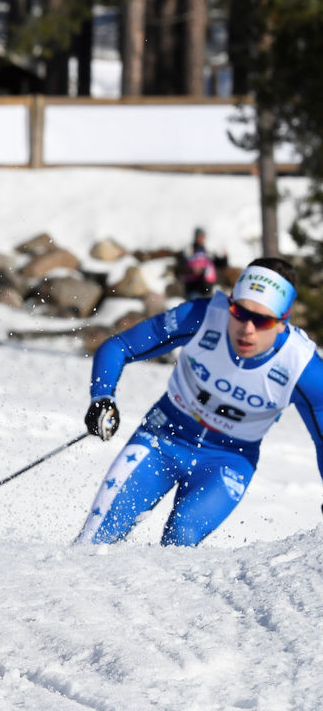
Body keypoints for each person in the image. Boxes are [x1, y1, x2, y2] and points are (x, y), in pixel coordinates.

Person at [76, 257, 323, 546]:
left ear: (283, 322)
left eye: (262, 320)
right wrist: (102, 398)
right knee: (92, 541)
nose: (247, 329)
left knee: (181, 538)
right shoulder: (203, 316)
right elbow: (120, 346)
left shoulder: (304, 367)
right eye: (239, 312)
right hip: (161, 438)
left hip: (226, 461)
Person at [179, 226, 218, 300]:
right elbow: (181, 268)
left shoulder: (208, 251)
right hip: (193, 287)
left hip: (207, 286)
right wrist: (193, 270)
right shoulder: (189, 251)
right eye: (199, 236)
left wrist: (224, 258)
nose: (201, 238)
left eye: (203, 236)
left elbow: (220, 264)